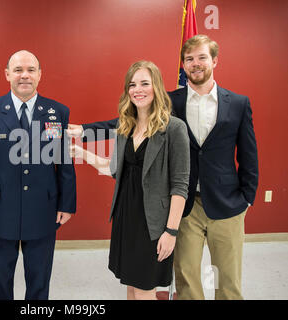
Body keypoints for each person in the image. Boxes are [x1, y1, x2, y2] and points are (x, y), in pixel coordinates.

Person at [67, 34, 259, 300]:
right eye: (189, 59)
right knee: (187, 279)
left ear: (214, 60)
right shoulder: (170, 102)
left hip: (227, 204)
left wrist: (248, 198)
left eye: (202, 57)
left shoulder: (237, 103)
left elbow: (249, 154)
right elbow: (125, 122)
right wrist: (84, 132)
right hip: (184, 207)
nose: (195, 63)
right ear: (183, 65)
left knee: (227, 280)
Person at [69, 60, 190, 300]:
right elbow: (115, 169)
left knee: (145, 288)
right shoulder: (127, 125)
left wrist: (171, 232)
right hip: (126, 216)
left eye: (145, 83)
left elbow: (180, 186)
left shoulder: (174, 129)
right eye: (132, 85)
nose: (138, 89)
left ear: (156, 87)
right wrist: (82, 153)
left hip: (153, 223)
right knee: (132, 286)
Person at [0, 50, 76, 300]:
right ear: (7, 75)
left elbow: (64, 161)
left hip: (43, 209)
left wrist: (66, 203)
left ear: (39, 75)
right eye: (18, 70)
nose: (24, 75)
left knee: (39, 282)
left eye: (30, 70)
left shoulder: (57, 112)